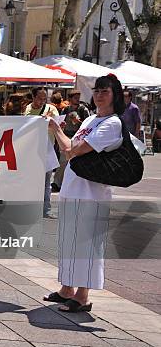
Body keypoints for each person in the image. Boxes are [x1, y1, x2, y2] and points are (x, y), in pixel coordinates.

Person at [44, 74, 125, 313]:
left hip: (92, 194)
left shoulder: (113, 123)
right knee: (69, 242)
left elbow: (71, 150)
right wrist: (60, 133)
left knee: (86, 246)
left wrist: (57, 129)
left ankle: (82, 296)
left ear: (115, 95)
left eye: (105, 91)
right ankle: (67, 289)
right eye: (97, 90)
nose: (99, 94)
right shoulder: (90, 121)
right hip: (74, 188)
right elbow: (71, 146)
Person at [24, 87, 59, 218]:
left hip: (47, 149)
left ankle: (46, 209)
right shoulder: (28, 109)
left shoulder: (51, 109)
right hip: (31, 150)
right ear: (33, 97)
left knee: (45, 182)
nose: (42, 101)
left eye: (45, 98)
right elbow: (26, 124)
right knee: (32, 181)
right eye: (39, 98)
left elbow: (57, 124)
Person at [53, 91, 90, 191]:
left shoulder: (83, 110)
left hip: (78, 139)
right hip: (66, 136)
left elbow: (88, 125)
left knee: (76, 161)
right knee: (63, 161)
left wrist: (79, 122)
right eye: (75, 98)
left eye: (78, 97)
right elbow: (60, 122)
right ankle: (57, 183)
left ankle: (73, 184)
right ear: (70, 99)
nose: (78, 100)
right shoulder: (65, 109)